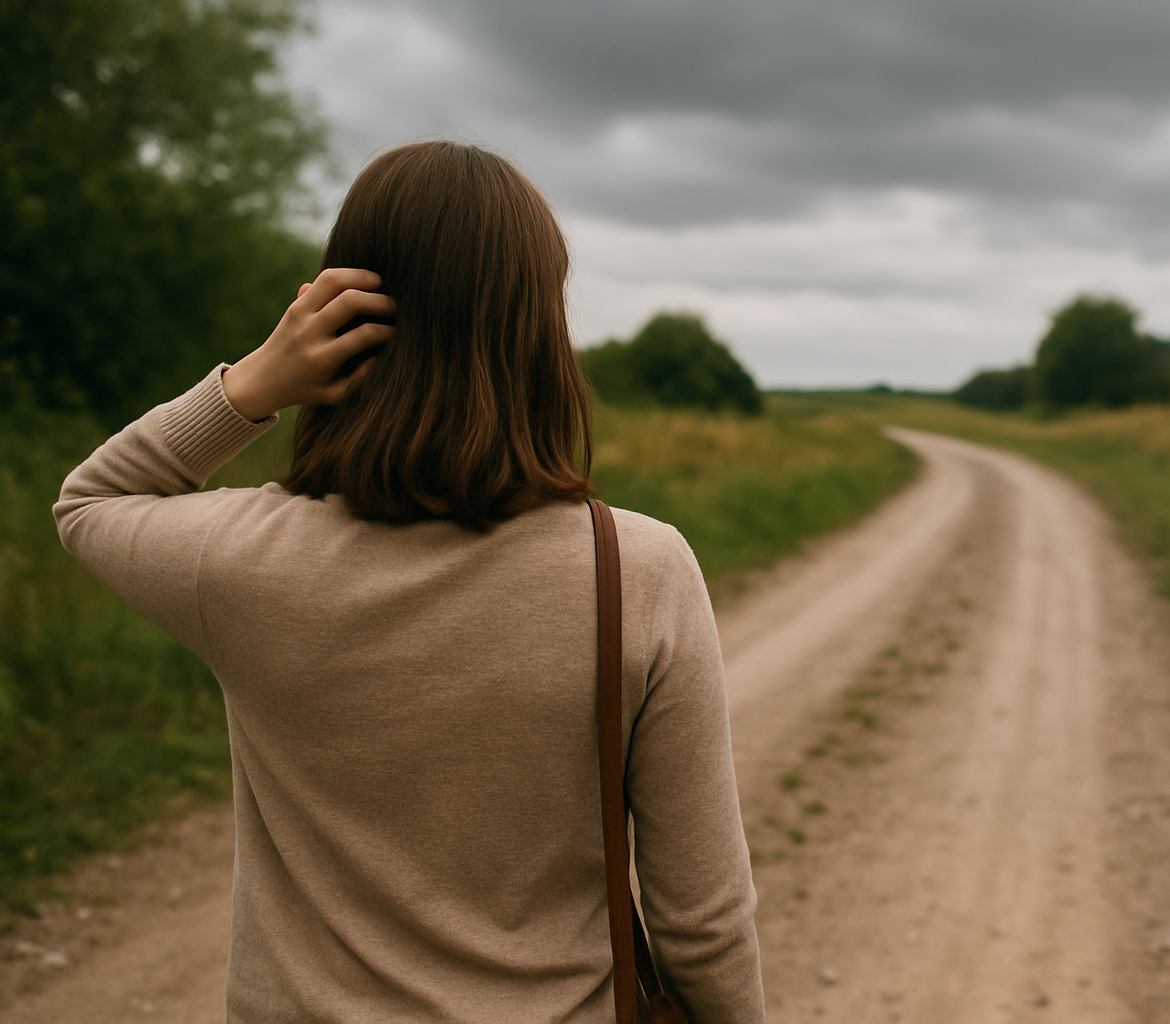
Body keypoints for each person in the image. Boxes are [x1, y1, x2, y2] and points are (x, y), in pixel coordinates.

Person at [55, 141, 766, 1023]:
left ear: (336, 320)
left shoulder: (240, 560)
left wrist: (252, 384)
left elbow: (90, 501)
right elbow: (700, 919)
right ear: (538, 332)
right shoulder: (639, 571)